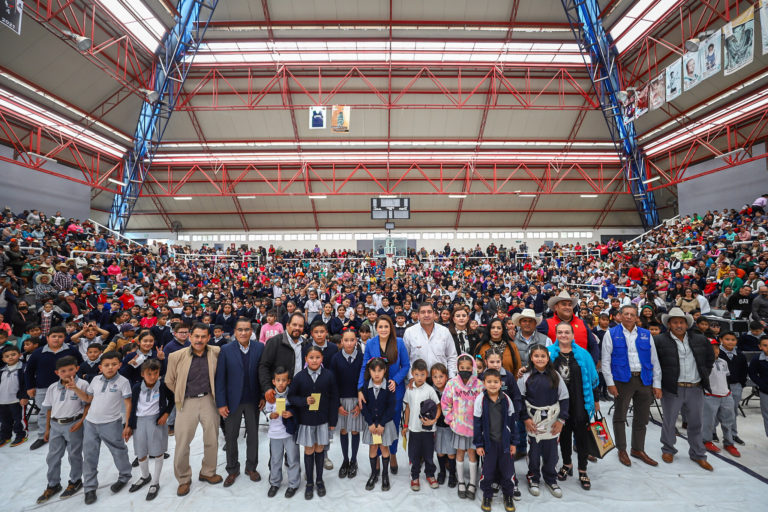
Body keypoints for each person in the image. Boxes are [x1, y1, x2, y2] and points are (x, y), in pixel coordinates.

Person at [165, 323, 222, 496]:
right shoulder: (176, 356)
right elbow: (169, 380)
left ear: (208, 338)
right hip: (186, 402)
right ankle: (183, 478)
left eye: (203, 336)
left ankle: (208, 472)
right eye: (196, 336)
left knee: (212, 439)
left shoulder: (216, 352)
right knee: (182, 443)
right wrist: (180, 394)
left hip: (209, 401)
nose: (199, 340)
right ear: (190, 336)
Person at [654, 307, 715, 471]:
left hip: (695, 387)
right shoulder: (659, 340)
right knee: (669, 421)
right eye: (675, 322)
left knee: (696, 423)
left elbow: (710, 358)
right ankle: (668, 449)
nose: (678, 325)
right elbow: (655, 365)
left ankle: (698, 454)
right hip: (673, 388)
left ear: (686, 324)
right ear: (669, 324)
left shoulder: (700, 339)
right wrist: (657, 385)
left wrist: (704, 374)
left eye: (681, 322)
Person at [601, 305, 661, 467]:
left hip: (644, 379)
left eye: (632, 314)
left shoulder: (646, 334)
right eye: (625, 314)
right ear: (619, 316)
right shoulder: (611, 333)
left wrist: (657, 384)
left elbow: (654, 360)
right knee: (620, 416)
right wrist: (610, 383)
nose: (628, 317)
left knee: (642, 417)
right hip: (622, 380)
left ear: (636, 318)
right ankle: (622, 449)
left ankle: (638, 449)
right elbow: (605, 361)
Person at [70, 350, 133, 505]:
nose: (110, 367)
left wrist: (128, 425)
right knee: (89, 455)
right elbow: (88, 399)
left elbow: (128, 404)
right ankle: (90, 487)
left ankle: (124, 476)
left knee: (118, 451)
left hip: (111, 423)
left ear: (120, 365)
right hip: (91, 423)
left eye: (113, 364)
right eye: (106, 365)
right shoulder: (95, 380)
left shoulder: (123, 382)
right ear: (100, 367)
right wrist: (76, 389)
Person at [548, 323, 599, 490]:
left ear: (572, 334)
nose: (563, 335)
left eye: (567, 332)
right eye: (560, 332)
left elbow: (593, 379)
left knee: (581, 436)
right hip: (559, 403)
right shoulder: (550, 354)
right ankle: (567, 464)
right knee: (563, 434)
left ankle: (582, 469)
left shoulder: (583, 355)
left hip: (580, 401)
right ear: (556, 334)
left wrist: (596, 401)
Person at [215, 317, 264, 486]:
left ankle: (251, 467)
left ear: (252, 331)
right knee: (231, 437)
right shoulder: (226, 350)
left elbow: (263, 374)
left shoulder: (259, 347)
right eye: (240, 330)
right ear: (235, 332)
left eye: (247, 329)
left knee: (253, 437)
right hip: (232, 402)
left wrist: (264, 395)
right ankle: (232, 469)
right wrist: (221, 403)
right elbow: (220, 379)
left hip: (253, 400)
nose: (243, 333)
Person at [357, 315, 410, 473]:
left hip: (394, 391)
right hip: (374, 391)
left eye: (386, 326)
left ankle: (392, 453)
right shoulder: (371, 343)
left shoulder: (399, 343)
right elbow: (364, 367)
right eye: (380, 327)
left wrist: (396, 380)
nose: (383, 330)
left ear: (391, 328)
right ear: (376, 328)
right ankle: (378, 455)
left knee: (391, 425)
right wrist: (360, 389)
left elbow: (406, 366)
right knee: (377, 422)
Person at [288, 345, 339, 500]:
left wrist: (332, 420)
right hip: (306, 421)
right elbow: (291, 397)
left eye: (317, 357)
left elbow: (334, 398)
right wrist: (304, 401)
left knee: (319, 449)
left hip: (323, 419)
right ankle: (309, 482)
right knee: (309, 449)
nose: (314, 360)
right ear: (306, 359)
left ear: (322, 359)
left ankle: (319, 480)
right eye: (311, 357)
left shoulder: (328, 376)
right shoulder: (299, 377)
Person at [517, 344, 568, 499]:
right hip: (534, 420)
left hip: (552, 420)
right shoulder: (525, 377)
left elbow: (564, 398)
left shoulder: (555, 376)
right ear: (531, 358)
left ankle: (550, 478)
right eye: (536, 356)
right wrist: (525, 418)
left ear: (548, 358)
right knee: (534, 451)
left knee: (551, 451)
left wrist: (561, 420)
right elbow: (520, 399)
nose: (540, 359)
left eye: (543, 356)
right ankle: (533, 477)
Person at [36, 356, 89, 504]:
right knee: (52, 456)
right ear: (57, 372)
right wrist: (47, 429)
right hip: (55, 426)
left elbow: (87, 404)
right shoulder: (53, 388)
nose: (67, 373)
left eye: (71, 369)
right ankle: (53, 484)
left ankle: (75, 480)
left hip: (73, 424)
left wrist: (81, 422)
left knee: (74, 454)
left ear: (77, 369)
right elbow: (48, 409)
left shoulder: (83, 384)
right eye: (63, 371)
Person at [25, 326, 83, 450]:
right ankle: (42, 436)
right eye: (54, 336)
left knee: (69, 410)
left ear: (64, 338)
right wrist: (30, 387)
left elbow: (81, 365)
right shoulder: (38, 353)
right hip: (44, 388)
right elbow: (29, 371)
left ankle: (69, 435)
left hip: (68, 386)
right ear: (47, 338)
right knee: (44, 412)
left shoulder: (71, 350)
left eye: (60, 336)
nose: (57, 339)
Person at [124, 359, 173, 501]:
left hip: (156, 422)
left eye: (155, 373)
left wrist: (166, 414)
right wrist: (128, 425)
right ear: (142, 374)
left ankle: (155, 482)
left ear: (159, 373)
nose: (152, 377)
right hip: (139, 422)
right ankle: (145, 476)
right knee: (140, 452)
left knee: (158, 451)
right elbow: (132, 408)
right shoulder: (136, 388)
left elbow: (173, 399)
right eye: (149, 374)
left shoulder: (163, 386)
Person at [474, 368, 518, 512]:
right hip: (489, 445)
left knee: (507, 471)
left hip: (505, 444)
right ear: (484, 383)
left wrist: (513, 442)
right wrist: (479, 444)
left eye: (496, 382)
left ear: (501, 383)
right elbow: (477, 424)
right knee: (488, 471)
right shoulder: (480, 400)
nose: (492, 384)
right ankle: (487, 495)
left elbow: (512, 423)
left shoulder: (506, 399)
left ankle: (508, 495)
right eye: (489, 382)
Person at [441, 353, 484, 500]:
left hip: (474, 428)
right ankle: (461, 481)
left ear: (472, 367)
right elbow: (445, 403)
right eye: (462, 367)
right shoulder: (452, 384)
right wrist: (451, 419)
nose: (465, 370)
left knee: (472, 454)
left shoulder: (479, 385)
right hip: (458, 427)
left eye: (468, 367)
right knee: (459, 453)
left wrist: (482, 424)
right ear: (457, 368)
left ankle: (472, 483)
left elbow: (484, 405)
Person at [329, 329, 364, 479]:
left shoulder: (362, 358)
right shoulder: (336, 358)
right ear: (341, 342)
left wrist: (360, 403)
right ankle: (345, 460)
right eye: (346, 340)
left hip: (357, 400)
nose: (349, 343)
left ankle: (354, 460)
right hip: (341, 400)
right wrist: (337, 404)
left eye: (352, 340)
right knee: (343, 430)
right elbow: (333, 383)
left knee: (355, 431)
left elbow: (364, 381)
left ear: (356, 341)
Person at [360, 357, 397, 493]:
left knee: (384, 448)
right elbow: (363, 406)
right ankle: (374, 473)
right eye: (373, 370)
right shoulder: (365, 386)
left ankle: (385, 475)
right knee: (373, 448)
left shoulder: (389, 387)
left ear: (384, 370)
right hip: (371, 425)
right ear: (369, 371)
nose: (377, 374)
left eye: (380, 370)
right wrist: (370, 423)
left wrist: (381, 424)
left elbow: (391, 407)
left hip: (384, 424)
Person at [403, 358, 441, 491]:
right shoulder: (409, 390)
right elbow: (407, 408)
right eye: (417, 374)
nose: (419, 377)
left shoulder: (430, 390)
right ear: (412, 374)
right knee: (414, 454)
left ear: (427, 374)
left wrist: (433, 420)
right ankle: (415, 476)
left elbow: (438, 406)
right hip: (414, 429)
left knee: (429, 454)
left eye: (423, 374)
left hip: (428, 430)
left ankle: (430, 474)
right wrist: (405, 426)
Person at [264, 366, 300, 498]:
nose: (281, 383)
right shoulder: (270, 396)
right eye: (278, 380)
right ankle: (275, 482)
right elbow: (266, 411)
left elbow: (298, 409)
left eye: (284, 380)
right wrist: (270, 416)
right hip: (275, 434)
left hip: (289, 433)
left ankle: (293, 484)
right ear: (273, 381)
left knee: (293, 458)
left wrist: (291, 413)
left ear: (288, 381)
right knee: (275, 459)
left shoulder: (292, 395)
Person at [701, 339, 740, 457]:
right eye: (711, 349)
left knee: (729, 420)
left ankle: (729, 443)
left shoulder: (723, 362)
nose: (715, 351)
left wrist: (728, 392)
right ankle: (706, 441)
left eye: (716, 348)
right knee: (708, 421)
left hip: (726, 395)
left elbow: (725, 377)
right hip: (710, 396)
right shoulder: (702, 363)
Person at [538, 291, 600, 364]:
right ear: (556, 307)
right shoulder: (546, 324)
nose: (567, 307)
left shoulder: (582, 323)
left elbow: (593, 345)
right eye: (564, 304)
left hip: (582, 370)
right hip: (555, 371)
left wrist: (592, 364)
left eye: (570, 305)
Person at [404, 302, 458, 378]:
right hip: (417, 379)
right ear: (418, 315)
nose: (426, 315)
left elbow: (452, 356)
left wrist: (451, 377)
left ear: (434, 314)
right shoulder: (409, 332)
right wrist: (411, 377)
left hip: (441, 379)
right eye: (423, 312)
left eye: (429, 312)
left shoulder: (444, 331)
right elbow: (405, 359)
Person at [260, 313, 306, 400]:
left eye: (300, 326)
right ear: (287, 325)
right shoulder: (274, 342)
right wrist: (267, 388)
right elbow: (264, 366)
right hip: (279, 393)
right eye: (294, 325)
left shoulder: (305, 344)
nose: (297, 328)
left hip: (300, 393)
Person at [717, 331, 747, 445]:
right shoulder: (717, 353)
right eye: (727, 339)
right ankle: (712, 433)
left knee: (732, 411)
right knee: (715, 411)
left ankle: (733, 434)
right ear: (721, 340)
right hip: (719, 386)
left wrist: (741, 384)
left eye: (733, 340)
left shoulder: (740, 355)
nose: (730, 342)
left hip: (735, 386)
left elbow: (744, 371)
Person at [430, 362, 457, 487]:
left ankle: (452, 473)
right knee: (440, 451)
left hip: (451, 426)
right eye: (435, 377)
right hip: (438, 426)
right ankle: (441, 472)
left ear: (446, 377)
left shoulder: (451, 389)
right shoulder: (431, 391)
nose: (438, 380)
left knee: (451, 452)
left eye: (441, 376)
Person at [0, 345, 28, 446]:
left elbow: (26, 384)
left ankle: (21, 435)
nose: (10, 357)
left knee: (18, 419)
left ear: (20, 355)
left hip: (16, 400)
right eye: (7, 356)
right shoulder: (2, 370)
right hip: (2, 401)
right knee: (4, 420)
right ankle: (5, 436)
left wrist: (24, 396)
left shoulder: (24, 368)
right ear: (3, 359)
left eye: (13, 354)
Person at [747, 336, 768, 437]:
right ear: (760, 347)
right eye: (765, 345)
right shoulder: (757, 359)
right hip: (765, 391)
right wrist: (762, 384)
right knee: (767, 415)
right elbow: (752, 374)